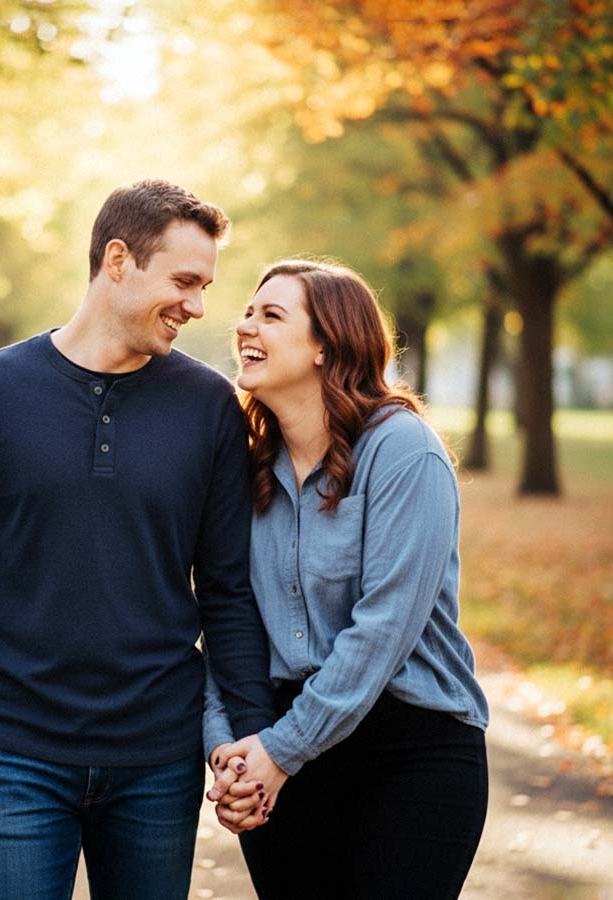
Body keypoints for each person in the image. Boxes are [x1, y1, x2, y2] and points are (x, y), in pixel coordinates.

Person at [0, 179, 276, 900]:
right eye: (184, 282)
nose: (198, 307)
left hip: (159, 760)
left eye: (204, 287)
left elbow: (228, 591)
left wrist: (250, 736)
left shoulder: (210, 408)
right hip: (16, 754)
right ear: (118, 260)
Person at [203, 259, 490, 899]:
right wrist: (229, 751)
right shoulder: (246, 468)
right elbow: (226, 615)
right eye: (247, 312)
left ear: (326, 346)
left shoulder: (403, 451)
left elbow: (383, 631)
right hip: (282, 754)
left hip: (411, 752)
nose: (245, 325)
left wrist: (279, 752)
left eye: (271, 315)